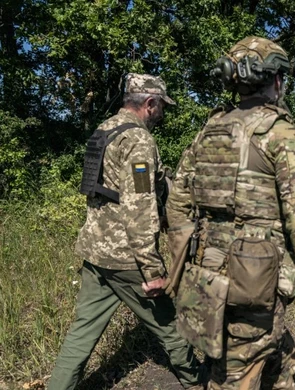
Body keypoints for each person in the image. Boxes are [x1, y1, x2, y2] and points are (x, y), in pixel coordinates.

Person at [166, 36, 295, 389]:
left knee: (276, 355)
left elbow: (177, 202)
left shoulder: (208, 132)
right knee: (234, 371)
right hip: (256, 273)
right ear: (276, 80)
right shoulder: (280, 134)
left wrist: (183, 265)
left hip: (208, 269)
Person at [48, 74, 203, 390]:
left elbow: (104, 190)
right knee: (169, 324)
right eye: (161, 106)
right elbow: (139, 205)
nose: (162, 113)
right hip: (127, 259)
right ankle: (196, 379)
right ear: (149, 103)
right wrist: (151, 269)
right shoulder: (138, 141)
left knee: (81, 332)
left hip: (95, 251)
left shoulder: (103, 130)